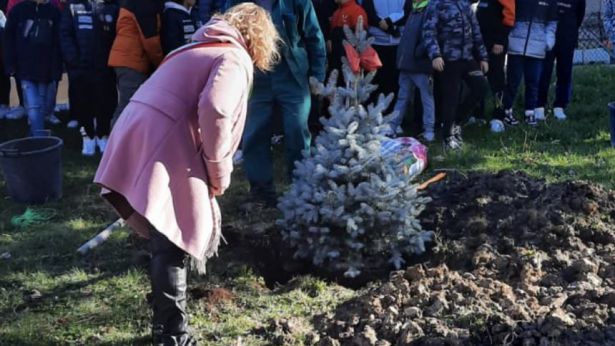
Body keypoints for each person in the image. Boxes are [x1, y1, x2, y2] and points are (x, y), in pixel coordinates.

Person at [94, 4, 279, 345]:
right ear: (261, 39)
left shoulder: (193, 46)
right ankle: (173, 335)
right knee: (174, 232)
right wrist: (218, 167)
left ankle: (165, 328)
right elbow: (216, 108)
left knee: (164, 232)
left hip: (137, 130)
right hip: (164, 139)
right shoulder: (232, 57)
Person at [230, 0, 326, 206]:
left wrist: (317, 76)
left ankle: (302, 191)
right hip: (256, 77)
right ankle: (261, 193)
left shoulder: (299, 2)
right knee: (254, 134)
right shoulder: (237, 2)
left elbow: (314, 36)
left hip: (292, 76)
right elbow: (229, 35)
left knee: (297, 131)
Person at [423, 0, 489, 151]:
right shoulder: (435, 4)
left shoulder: (464, 3)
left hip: (467, 58)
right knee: (451, 98)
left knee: (481, 87)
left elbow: (476, 30)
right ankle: (448, 137)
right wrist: (435, 55)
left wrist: (483, 57)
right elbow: (428, 31)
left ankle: (456, 122)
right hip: (448, 60)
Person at [60, 0, 120, 155]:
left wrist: (112, 60)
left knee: (105, 103)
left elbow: (118, 35)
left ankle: (103, 135)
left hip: (105, 67)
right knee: (83, 104)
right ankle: (87, 137)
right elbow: (65, 34)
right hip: (81, 67)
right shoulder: (73, 7)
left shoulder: (112, 6)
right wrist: (73, 60)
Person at [3, 0, 62, 136]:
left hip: (47, 70)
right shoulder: (18, 11)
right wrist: (10, 64)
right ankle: (39, 140)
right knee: (34, 107)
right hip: (25, 69)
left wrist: (56, 67)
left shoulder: (54, 12)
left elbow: (59, 43)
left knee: (42, 106)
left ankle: (36, 135)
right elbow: (8, 40)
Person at [108, 0, 164, 127]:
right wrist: (161, 64)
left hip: (127, 59)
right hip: (132, 62)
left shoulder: (134, 3)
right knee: (128, 108)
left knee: (129, 106)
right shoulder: (144, 4)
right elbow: (150, 40)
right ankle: (115, 144)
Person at [503, 0, 557, 126]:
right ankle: (507, 111)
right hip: (516, 46)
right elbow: (508, 15)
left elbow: (552, 22)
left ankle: (529, 112)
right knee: (512, 82)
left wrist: (548, 41)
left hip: (537, 47)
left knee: (533, 82)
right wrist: (508, 37)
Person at [391, 0, 434, 141]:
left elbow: (430, 35)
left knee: (426, 97)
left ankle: (429, 131)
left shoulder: (430, 9)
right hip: (406, 63)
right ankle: (392, 127)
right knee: (402, 96)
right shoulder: (413, 10)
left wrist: (418, 52)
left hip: (419, 65)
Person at [536, 0, 585, 122]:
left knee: (564, 72)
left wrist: (571, 29)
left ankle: (560, 106)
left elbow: (580, 15)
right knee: (544, 72)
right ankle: (539, 105)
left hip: (567, 37)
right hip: (547, 37)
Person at [475, 0, 516, 129]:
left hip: (496, 45)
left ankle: (498, 116)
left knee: (497, 81)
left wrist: (500, 40)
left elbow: (510, 17)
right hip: (479, 43)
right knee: (477, 79)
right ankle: (477, 114)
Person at [363, 0, 409, 106]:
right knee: (375, 82)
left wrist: (390, 22)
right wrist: (389, 29)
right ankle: (372, 116)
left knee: (394, 83)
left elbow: (407, 12)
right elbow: (368, 13)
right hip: (376, 42)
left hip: (398, 43)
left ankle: (393, 115)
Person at [327, 0, 367, 73]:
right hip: (335, 60)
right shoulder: (336, 12)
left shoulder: (357, 11)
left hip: (349, 61)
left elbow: (360, 38)